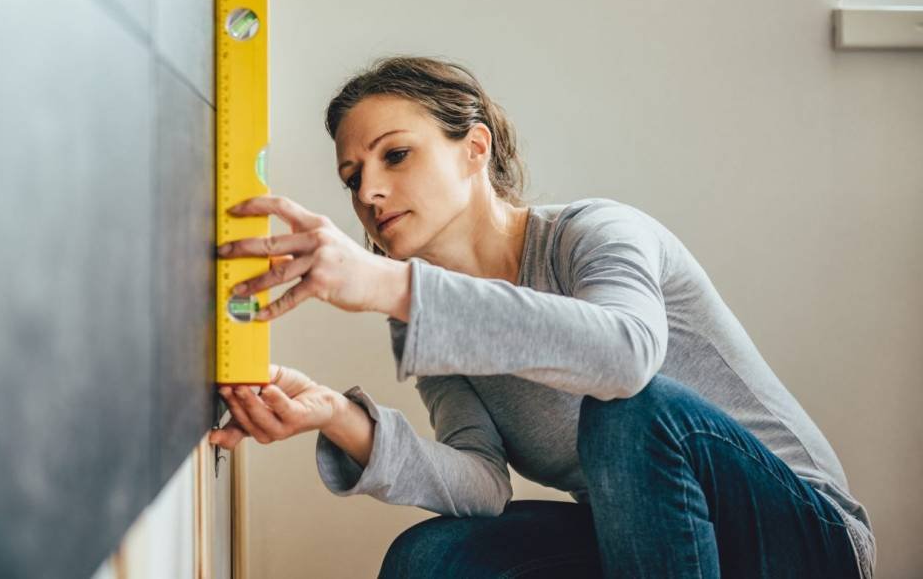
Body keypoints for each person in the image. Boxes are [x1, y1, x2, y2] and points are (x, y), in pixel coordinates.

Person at [208, 56, 875, 578]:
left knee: (626, 409)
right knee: (432, 559)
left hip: (804, 543)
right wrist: (338, 417)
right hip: (650, 549)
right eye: (352, 177)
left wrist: (393, 283)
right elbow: (480, 482)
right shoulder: (421, 315)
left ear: (475, 149)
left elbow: (626, 356)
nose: (370, 191)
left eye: (395, 154)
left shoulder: (598, 233)